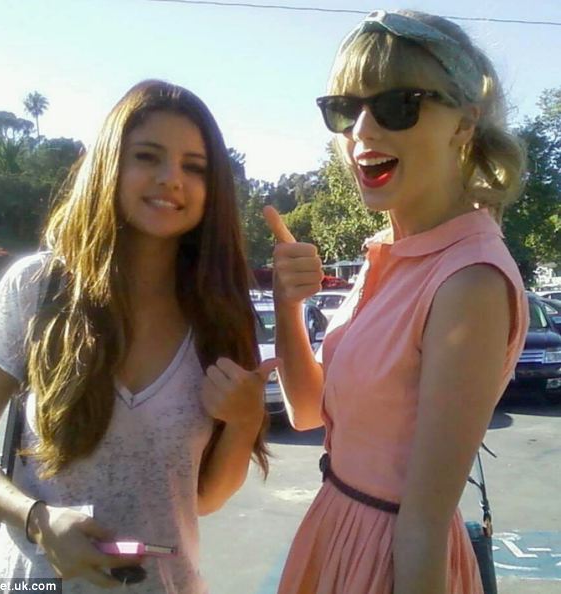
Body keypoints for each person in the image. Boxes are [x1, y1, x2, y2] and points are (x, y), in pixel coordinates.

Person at [0, 79, 277, 593]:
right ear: (109, 165)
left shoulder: (220, 315)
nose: (171, 180)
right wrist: (37, 519)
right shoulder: (37, 287)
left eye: (194, 167)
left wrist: (246, 419)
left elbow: (201, 498)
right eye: (147, 156)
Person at [264, 9, 528, 594]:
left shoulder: (469, 281)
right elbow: (309, 412)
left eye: (396, 105)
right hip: (334, 527)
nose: (362, 129)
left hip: (386, 562)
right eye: (344, 108)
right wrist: (288, 306)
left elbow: (425, 525)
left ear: (465, 122)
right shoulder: (389, 250)